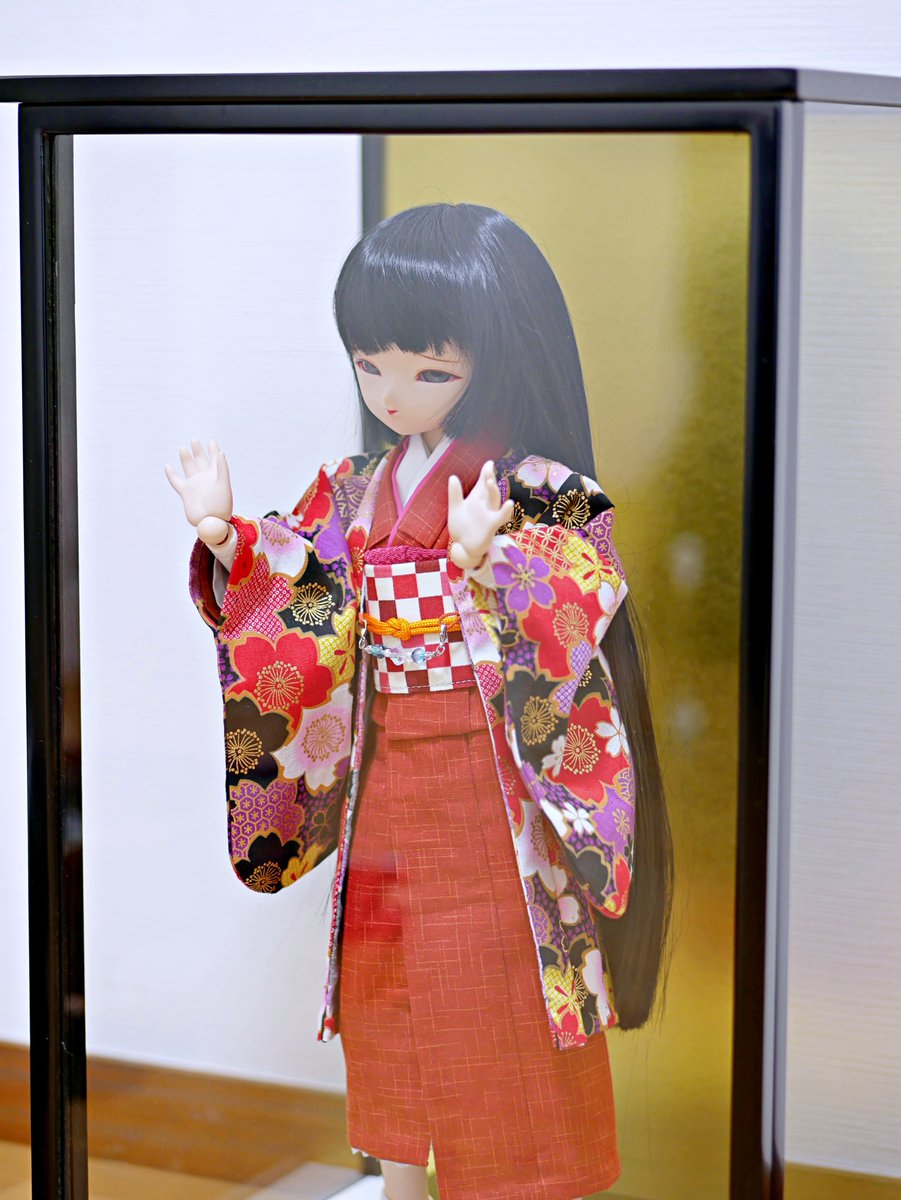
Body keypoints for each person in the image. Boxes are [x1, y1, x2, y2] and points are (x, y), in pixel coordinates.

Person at [166, 202, 674, 1200]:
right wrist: (228, 539)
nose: (393, 395)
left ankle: (519, 1185)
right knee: (385, 979)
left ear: (495, 355)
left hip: (495, 789)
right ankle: (399, 1183)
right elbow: (305, 591)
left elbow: (581, 588)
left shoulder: (538, 488)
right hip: (387, 778)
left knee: (497, 986)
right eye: (371, 367)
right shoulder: (355, 489)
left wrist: (495, 564)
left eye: (428, 371)